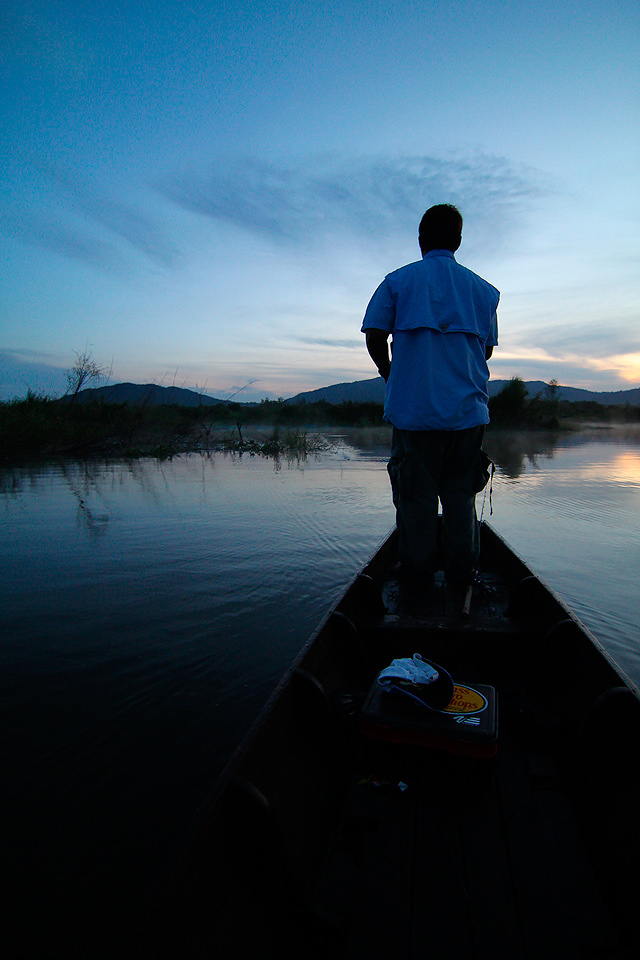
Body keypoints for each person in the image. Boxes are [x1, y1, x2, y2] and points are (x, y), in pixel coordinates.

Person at [361, 203, 499, 585]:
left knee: (416, 500)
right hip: (468, 417)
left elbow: (374, 335)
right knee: (459, 497)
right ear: (458, 240)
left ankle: (417, 579)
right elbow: (485, 350)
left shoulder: (397, 282)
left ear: (420, 240)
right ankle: (461, 574)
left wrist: (390, 375)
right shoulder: (485, 292)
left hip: (414, 415)